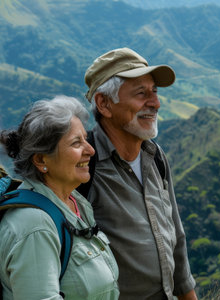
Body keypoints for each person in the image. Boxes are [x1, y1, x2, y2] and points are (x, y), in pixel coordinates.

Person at [82, 48, 198, 299]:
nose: (155, 103)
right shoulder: (84, 166)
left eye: (154, 91)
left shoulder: (154, 156)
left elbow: (176, 236)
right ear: (104, 104)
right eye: (141, 93)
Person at [0, 96, 120, 300]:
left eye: (85, 139)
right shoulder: (34, 226)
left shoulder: (75, 203)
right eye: (76, 143)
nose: (90, 150)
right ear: (41, 159)